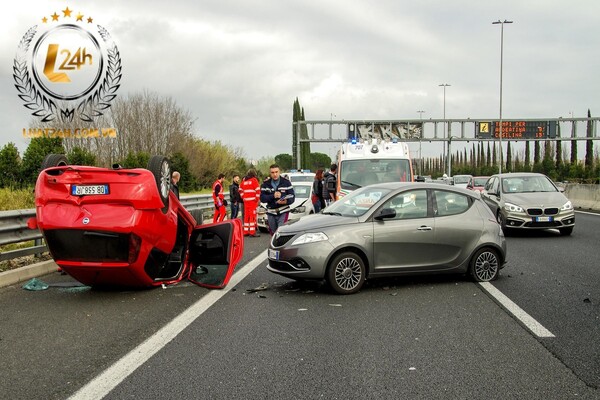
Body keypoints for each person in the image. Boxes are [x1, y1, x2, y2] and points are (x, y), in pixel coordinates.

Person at [260, 164, 295, 235]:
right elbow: (262, 198)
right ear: (270, 173)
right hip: (271, 212)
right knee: (273, 233)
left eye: (276, 172)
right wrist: (273, 196)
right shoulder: (266, 184)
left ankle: (282, 246)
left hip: (283, 211)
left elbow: (292, 196)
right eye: (272, 172)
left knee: (281, 231)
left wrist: (286, 201)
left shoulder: (286, 182)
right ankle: (274, 245)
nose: (275, 174)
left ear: (279, 172)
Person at [240, 169, 261, 236]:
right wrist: (256, 199)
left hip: (246, 201)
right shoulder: (254, 180)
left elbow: (240, 189)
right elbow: (258, 190)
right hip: (252, 201)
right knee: (252, 216)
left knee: (246, 216)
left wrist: (243, 197)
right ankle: (252, 232)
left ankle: (245, 231)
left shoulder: (244, 180)